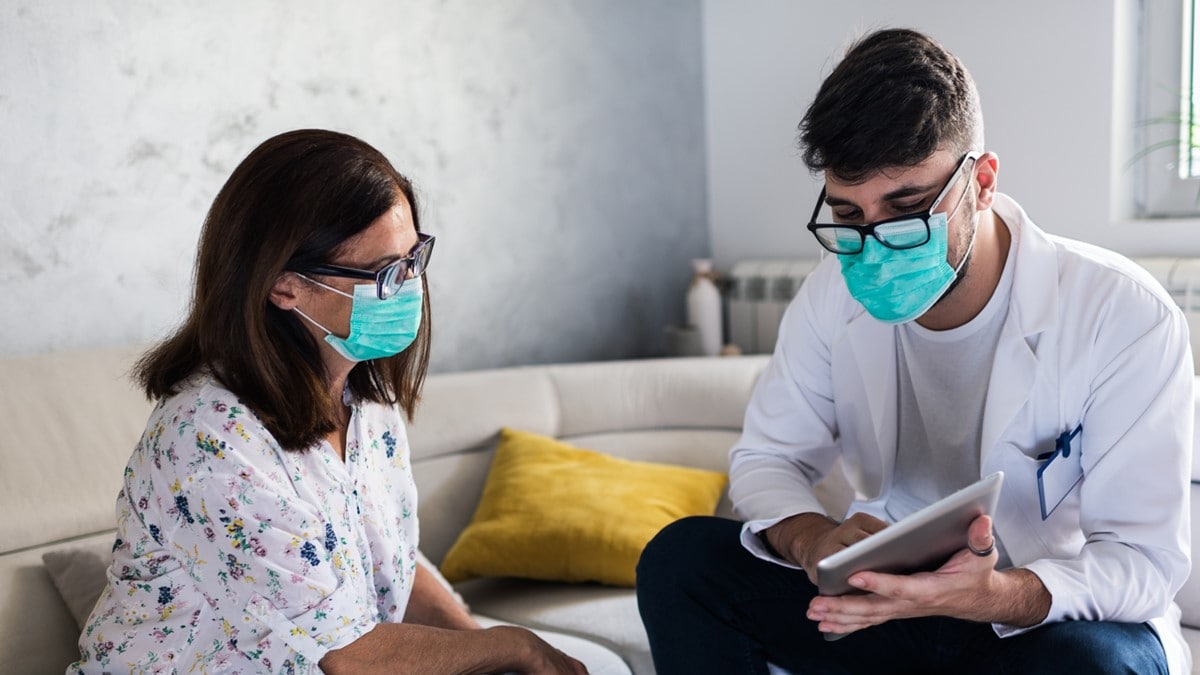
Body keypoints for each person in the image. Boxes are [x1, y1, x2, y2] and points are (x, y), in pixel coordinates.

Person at [637, 28, 1194, 674]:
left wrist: (995, 595)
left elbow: (1143, 562)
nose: (873, 246)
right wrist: (814, 539)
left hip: (1037, 620)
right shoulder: (830, 296)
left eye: (905, 210)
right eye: (849, 217)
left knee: (1093, 665)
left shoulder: (1120, 314)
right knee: (682, 561)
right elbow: (766, 458)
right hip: (889, 612)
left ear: (981, 183)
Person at [71, 129, 588, 674]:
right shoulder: (209, 438)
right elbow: (350, 657)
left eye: (415, 258)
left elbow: (388, 565)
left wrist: (489, 657)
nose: (411, 285)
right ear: (284, 287)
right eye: (386, 272)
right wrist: (515, 647)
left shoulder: (366, 401)